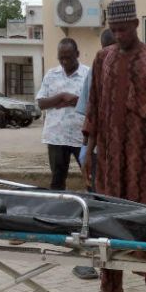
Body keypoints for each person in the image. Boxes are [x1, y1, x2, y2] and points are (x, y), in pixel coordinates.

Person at [82, 0, 146, 292]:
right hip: (111, 157)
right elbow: (95, 106)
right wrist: (89, 149)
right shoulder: (103, 58)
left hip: (144, 155)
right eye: (114, 30)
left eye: (124, 29)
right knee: (108, 218)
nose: (119, 35)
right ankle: (111, 283)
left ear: (136, 25)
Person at [71, 29, 115, 281]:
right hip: (103, 153)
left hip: (115, 154)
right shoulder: (96, 71)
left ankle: (105, 259)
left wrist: (87, 150)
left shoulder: (100, 68)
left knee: (102, 206)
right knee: (99, 205)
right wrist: (87, 152)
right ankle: (96, 261)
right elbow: (90, 116)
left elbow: (87, 117)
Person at [36, 38, 89, 191]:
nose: (64, 62)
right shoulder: (51, 74)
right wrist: (61, 97)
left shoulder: (89, 74)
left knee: (91, 178)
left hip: (82, 137)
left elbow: (96, 103)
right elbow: (41, 103)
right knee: (57, 181)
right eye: (61, 58)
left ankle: (94, 210)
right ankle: (58, 213)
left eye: (68, 57)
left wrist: (76, 101)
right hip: (56, 137)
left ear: (77, 54)